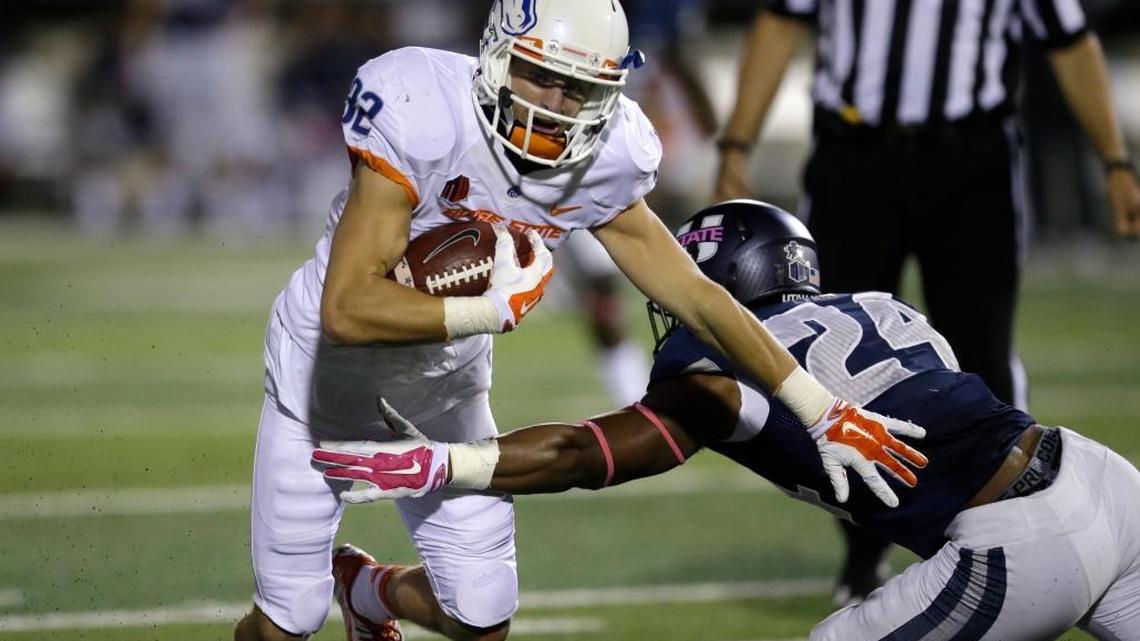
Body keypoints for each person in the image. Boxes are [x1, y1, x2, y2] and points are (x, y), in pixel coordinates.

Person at [233, 2, 926, 640]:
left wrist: (819, 406)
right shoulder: (422, 109)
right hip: (322, 384)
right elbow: (348, 308)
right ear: (500, 52)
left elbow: (701, 299)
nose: (555, 107)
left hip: (442, 392)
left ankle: (367, 590)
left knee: (481, 616)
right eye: (540, 77)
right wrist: (484, 308)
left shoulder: (606, 156)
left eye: (580, 89)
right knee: (287, 621)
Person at [316, 201, 1140, 641]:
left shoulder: (714, 371)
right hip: (1102, 477)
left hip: (1019, 540)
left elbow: (583, 451)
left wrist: (455, 462)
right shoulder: (884, 308)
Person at [711, 0, 1140, 603]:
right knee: (832, 355)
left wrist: (1115, 161)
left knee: (979, 354)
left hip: (970, 163)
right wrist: (736, 145)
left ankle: (1005, 534)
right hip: (853, 159)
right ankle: (863, 556)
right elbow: (780, 22)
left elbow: (1070, 42)